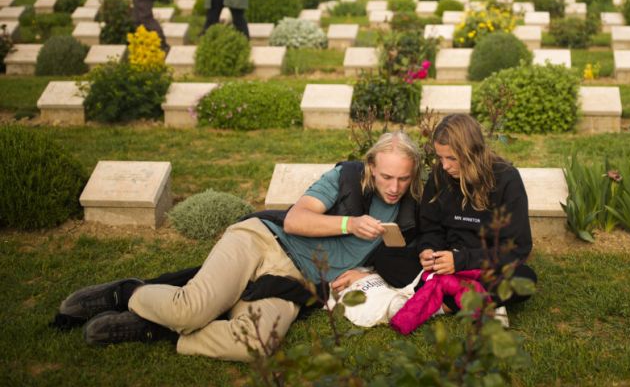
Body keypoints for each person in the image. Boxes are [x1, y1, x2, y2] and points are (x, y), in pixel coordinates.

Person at [55, 131, 423, 362]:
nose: (394, 186)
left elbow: (403, 263)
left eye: (403, 178)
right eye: (386, 176)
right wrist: (349, 223)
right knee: (191, 309)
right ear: (371, 166)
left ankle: (156, 329)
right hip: (263, 241)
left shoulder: (409, 212)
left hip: (293, 282)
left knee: (258, 344)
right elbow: (296, 219)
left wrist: (366, 270)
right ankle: (127, 293)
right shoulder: (345, 177)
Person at [390, 114, 535, 334]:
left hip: (481, 264)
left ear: (472, 153)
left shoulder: (506, 178)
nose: (445, 166)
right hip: (444, 261)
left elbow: (517, 247)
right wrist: (428, 250)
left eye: (452, 158)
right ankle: (475, 300)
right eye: (440, 157)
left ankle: (443, 303)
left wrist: (460, 261)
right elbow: (430, 228)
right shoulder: (440, 174)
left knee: (525, 279)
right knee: (386, 258)